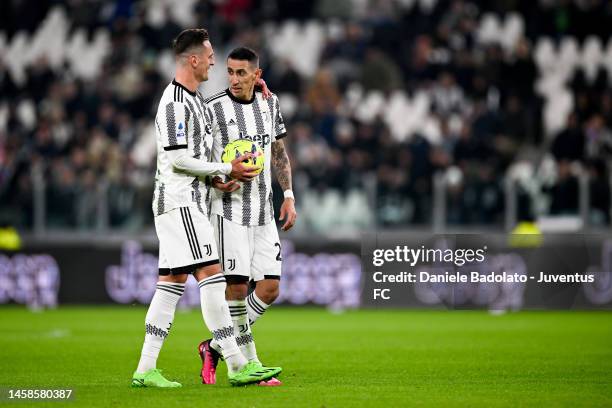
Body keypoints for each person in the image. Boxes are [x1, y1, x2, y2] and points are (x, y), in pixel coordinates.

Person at [131, 29, 281, 388]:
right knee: (213, 278)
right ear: (194, 59)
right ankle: (235, 363)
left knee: (170, 283)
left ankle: (145, 368)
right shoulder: (174, 103)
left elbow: (197, 156)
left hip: (190, 200)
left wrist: (217, 179)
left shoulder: (194, 100)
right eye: (211, 56)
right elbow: (179, 159)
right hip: (179, 202)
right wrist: (226, 169)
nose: (215, 62)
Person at [197, 46, 297, 385]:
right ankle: (250, 365)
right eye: (230, 71)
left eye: (242, 73)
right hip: (228, 212)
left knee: (269, 289)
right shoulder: (212, 109)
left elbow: (279, 153)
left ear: (257, 75)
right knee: (236, 289)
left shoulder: (270, 103)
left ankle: (215, 346)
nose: (235, 79)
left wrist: (289, 195)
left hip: (264, 213)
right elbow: (196, 160)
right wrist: (216, 179)